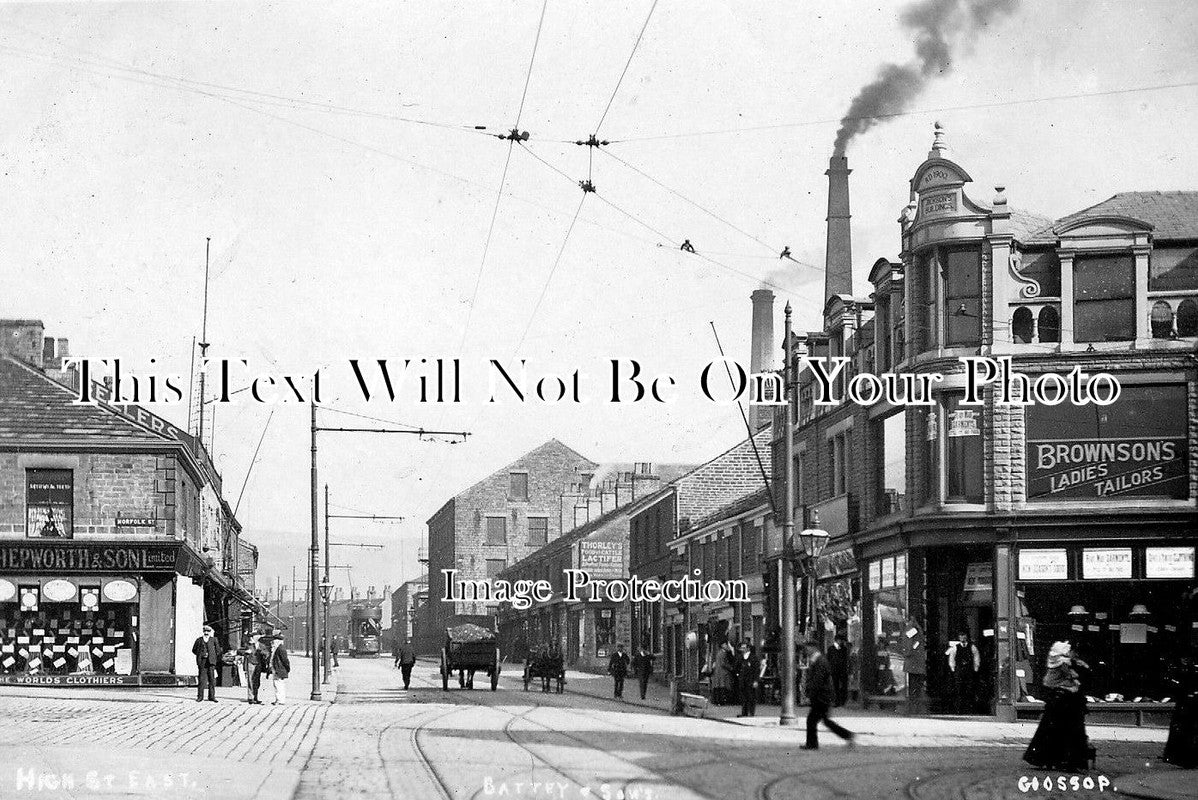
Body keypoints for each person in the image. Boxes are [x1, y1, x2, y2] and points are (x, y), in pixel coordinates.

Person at [1023, 641, 1092, 772]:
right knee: (1068, 730)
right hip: (1065, 699)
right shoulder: (1063, 664)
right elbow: (1074, 676)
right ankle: (1068, 761)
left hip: (1055, 699)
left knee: (1051, 730)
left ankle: (1050, 759)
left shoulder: (1055, 662)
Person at [801, 640, 855, 750]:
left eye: (807, 649)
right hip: (823, 696)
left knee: (812, 720)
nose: (805, 651)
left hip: (822, 697)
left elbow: (818, 680)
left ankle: (812, 744)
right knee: (824, 721)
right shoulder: (818, 660)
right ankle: (847, 735)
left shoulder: (820, 661)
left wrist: (811, 694)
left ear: (813, 648)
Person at [1162, 652, 1197, 767]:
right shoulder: (1180, 671)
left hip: (1189, 706)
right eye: (1184, 657)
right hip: (1184, 705)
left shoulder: (1191, 671)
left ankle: (1185, 758)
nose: (1185, 660)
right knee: (1183, 732)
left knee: (1187, 732)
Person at [946, 630, 980, 714]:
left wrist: (976, 668)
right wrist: (953, 668)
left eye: (964, 636)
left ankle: (968, 707)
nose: (962, 638)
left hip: (968, 670)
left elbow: (976, 657)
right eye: (961, 636)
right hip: (959, 670)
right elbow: (951, 658)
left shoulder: (972, 647)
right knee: (958, 688)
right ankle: (959, 708)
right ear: (959, 637)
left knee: (969, 688)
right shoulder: (955, 647)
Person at [192, 623, 221, 703]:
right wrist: (200, 654)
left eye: (208, 631)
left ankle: (212, 697)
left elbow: (218, 651)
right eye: (205, 631)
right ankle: (200, 697)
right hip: (202, 662)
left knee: (212, 680)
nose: (206, 633)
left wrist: (213, 656)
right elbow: (194, 650)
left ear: (210, 632)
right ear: (203, 632)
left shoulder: (214, 640)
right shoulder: (199, 640)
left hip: (211, 662)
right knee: (201, 680)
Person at [735, 640, 764, 718]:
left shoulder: (753, 658)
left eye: (744, 648)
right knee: (743, 697)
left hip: (751, 680)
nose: (742, 649)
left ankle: (751, 712)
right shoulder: (740, 657)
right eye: (741, 648)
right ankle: (744, 712)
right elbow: (736, 667)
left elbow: (757, 670)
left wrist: (756, 680)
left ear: (748, 648)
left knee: (751, 696)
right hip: (742, 680)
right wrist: (738, 675)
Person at [826, 634, 850, 707]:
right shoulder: (831, 649)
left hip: (843, 670)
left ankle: (843, 701)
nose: (841, 642)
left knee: (844, 685)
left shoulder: (844, 649)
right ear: (836, 640)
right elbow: (828, 659)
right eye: (840, 640)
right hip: (834, 670)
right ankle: (837, 701)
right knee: (835, 686)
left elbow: (846, 659)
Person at [269, 633, 291, 705]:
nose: (273, 642)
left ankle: (280, 700)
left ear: (278, 641)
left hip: (279, 669)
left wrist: (287, 668)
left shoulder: (280, 649)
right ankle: (278, 699)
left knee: (279, 684)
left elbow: (285, 660)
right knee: (277, 684)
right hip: (277, 669)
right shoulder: (278, 648)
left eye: (275, 640)